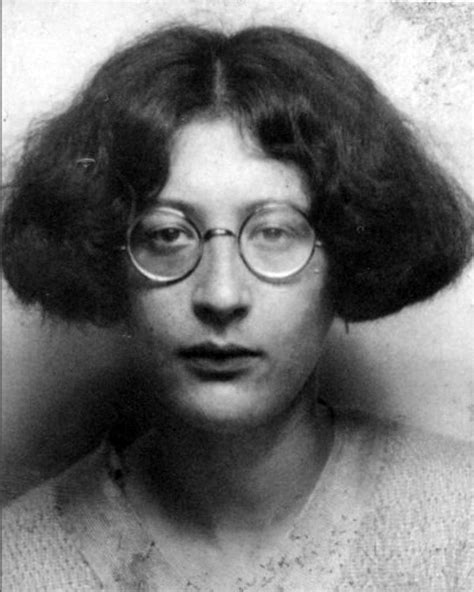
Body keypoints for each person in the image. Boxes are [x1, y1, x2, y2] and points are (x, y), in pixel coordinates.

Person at [2, 24, 473, 591]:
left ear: (349, 254)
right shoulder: (16, 563)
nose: (221, 295)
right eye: (168, 235)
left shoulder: (461, 522)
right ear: (110, 263)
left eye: (274, 231)